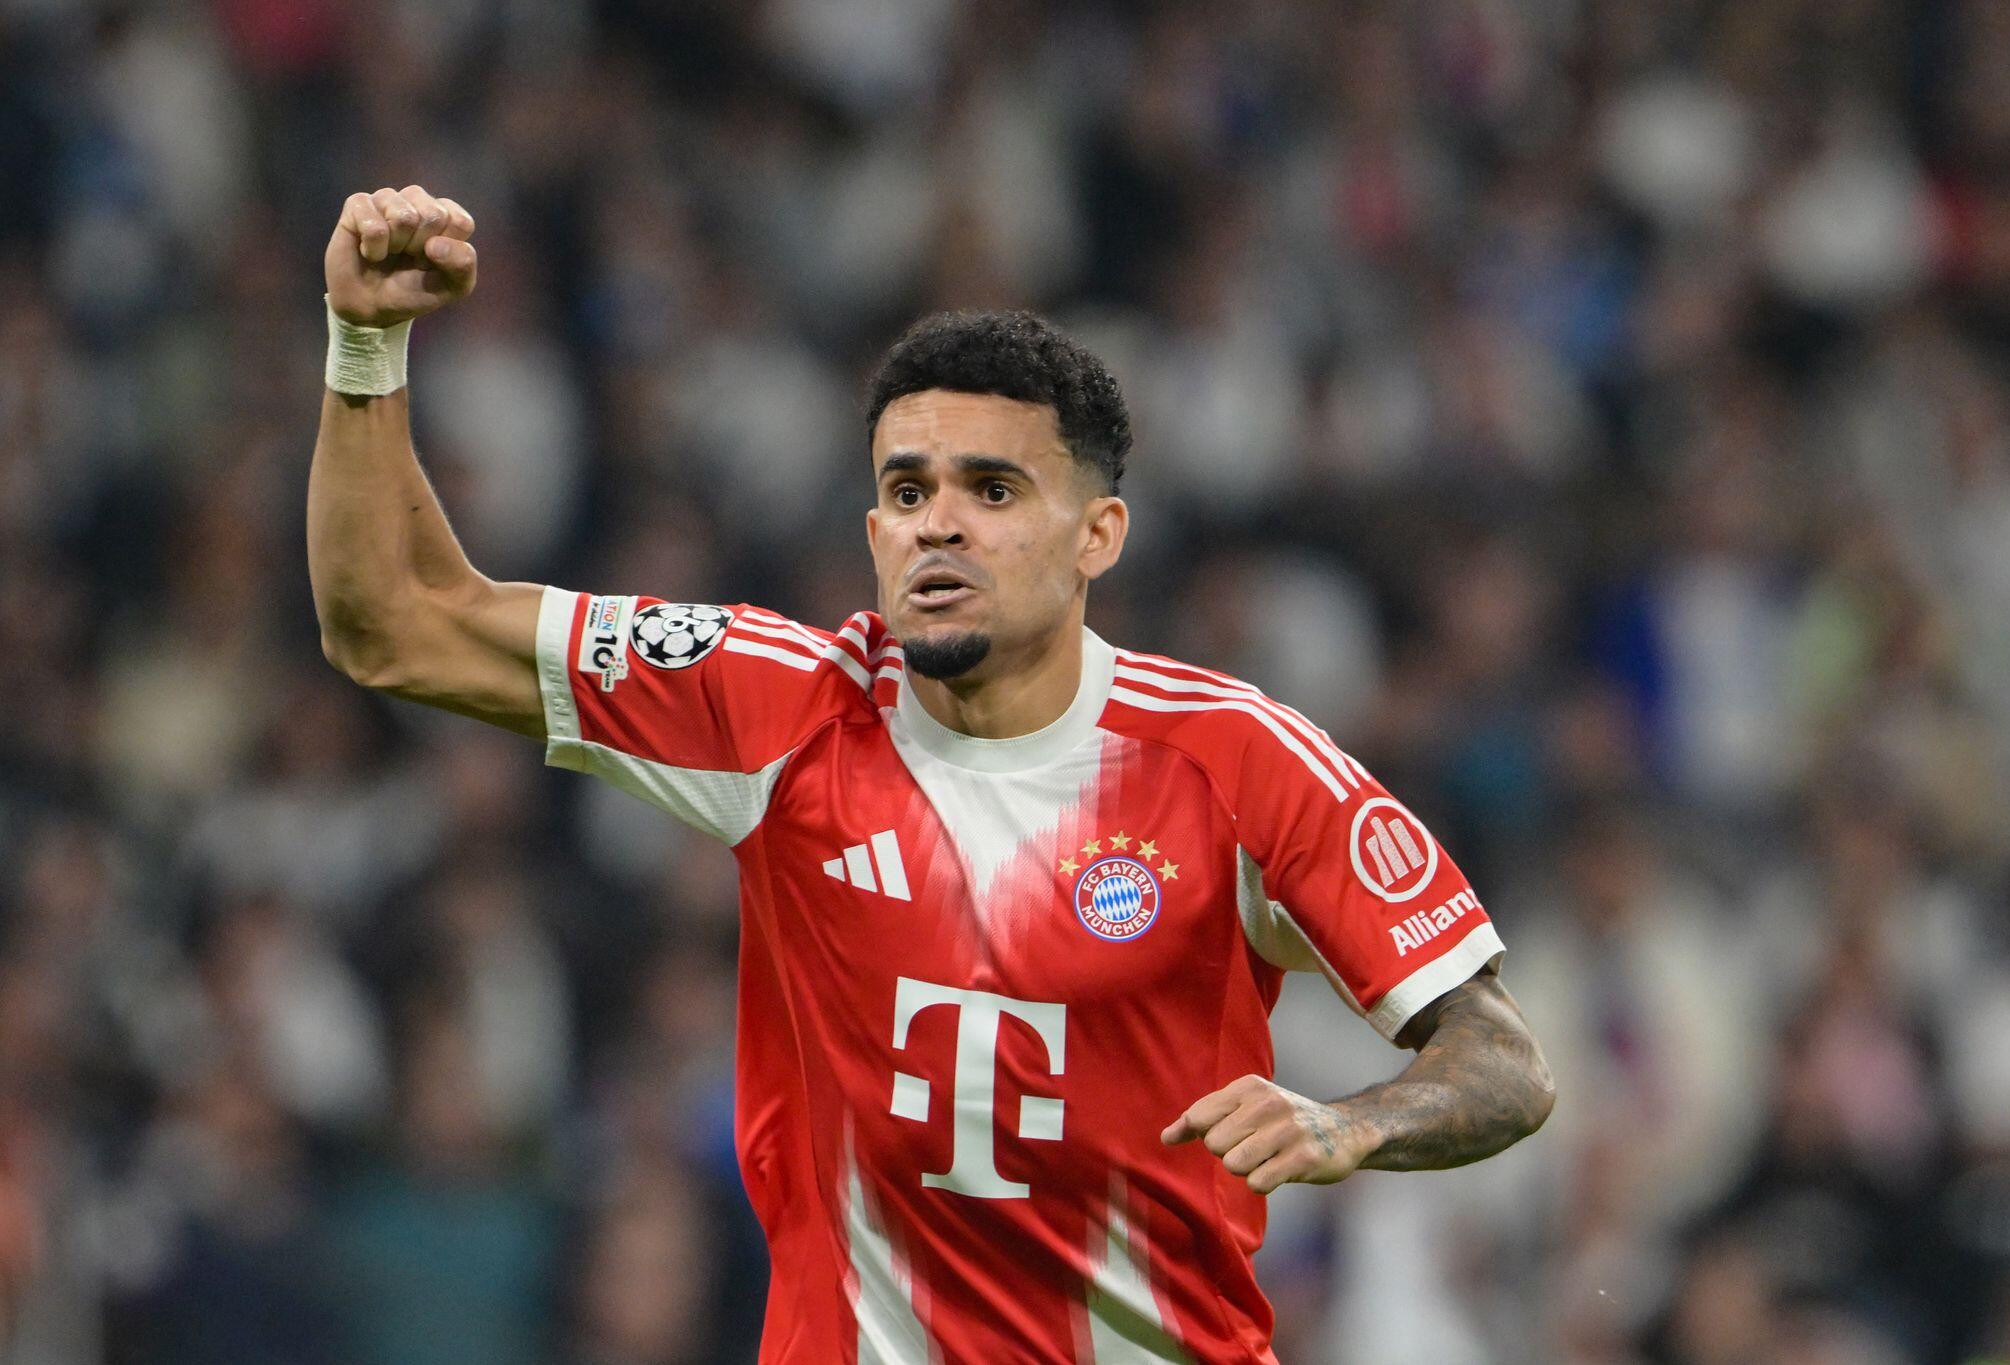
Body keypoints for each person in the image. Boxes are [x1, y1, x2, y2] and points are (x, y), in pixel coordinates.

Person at [310, 183, 1556, 1363]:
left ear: (1097, 536)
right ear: (872, 532)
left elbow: (1501, 1063)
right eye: (906, 491)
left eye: (992, 489)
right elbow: (394, 625)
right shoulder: (778, 705)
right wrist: (366, 344)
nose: (938, 523)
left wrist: (1349, 1123)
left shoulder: (1235, 763)